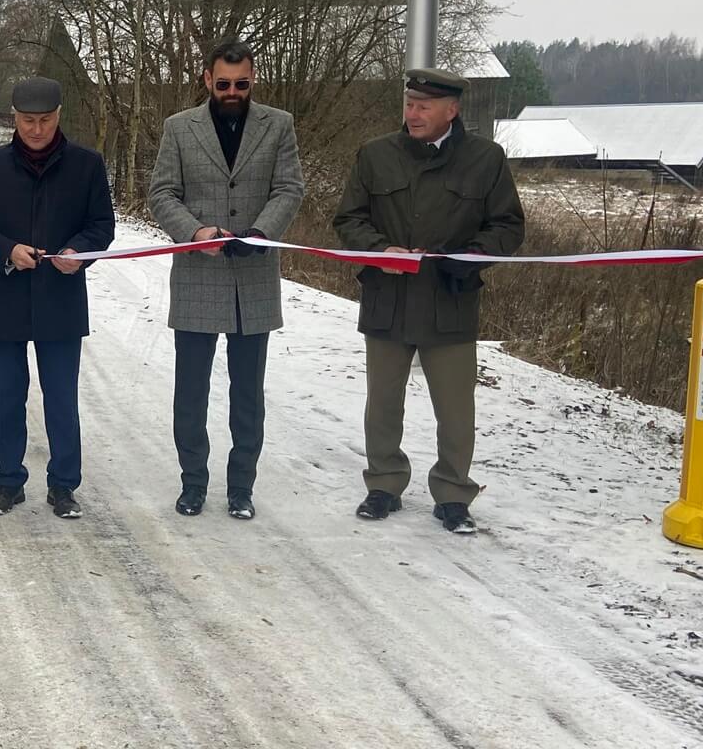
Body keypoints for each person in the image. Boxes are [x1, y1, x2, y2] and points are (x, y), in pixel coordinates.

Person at [333, 68, 525, 535]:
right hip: (388, 298)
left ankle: (454, 493)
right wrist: (380, 250)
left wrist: (471, 257)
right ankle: (384, 484)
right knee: (382, 405)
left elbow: (508, 227)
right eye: (409, 104)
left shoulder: (486, 159)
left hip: (450, 300)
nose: (412, 113)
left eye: (423, 106)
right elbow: (348, 220)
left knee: (457, 410)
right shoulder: (376, 155)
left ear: (451, 110)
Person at [147, 40, 305, 520]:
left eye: (242, 84)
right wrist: (194, 231)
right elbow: (161, 193)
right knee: (190, 393)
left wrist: (261, 233)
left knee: (248, 393)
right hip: (198, 273)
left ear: (253, 80)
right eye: (223, 84)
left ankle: (241, 487)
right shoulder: (180, 128)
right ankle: (193, 482)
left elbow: (289, 188)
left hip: (253, 279)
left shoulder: (278, 125)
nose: (232, 91)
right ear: (206, 80)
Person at [0, 77, 114, 520]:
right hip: (4, 298)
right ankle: (9, 482)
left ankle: (64, 485)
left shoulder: (86, 165)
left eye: (45, 121)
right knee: (8, 395)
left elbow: (102, 225)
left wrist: (77, 254)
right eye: (28, 121)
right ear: (15, 118)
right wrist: (6, 250)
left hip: (60, 298)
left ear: (59, 116)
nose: (37, 130)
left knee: (61, 396)